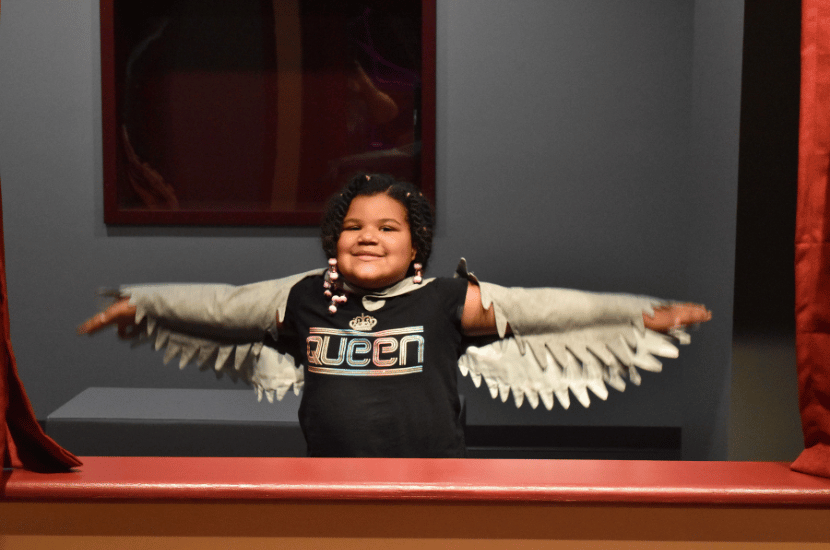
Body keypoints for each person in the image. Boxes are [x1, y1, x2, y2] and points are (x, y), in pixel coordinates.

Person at [78, 173, 711, 457]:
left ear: (417, 246)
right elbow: (221, 306)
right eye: (353, 226)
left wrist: (636, 317)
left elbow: (543, 308)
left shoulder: (443, 299)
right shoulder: (300, 296)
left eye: (388, 226)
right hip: (327, 482)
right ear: (333, 239)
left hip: (435, 482)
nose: (368, 236)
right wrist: (145, 302)